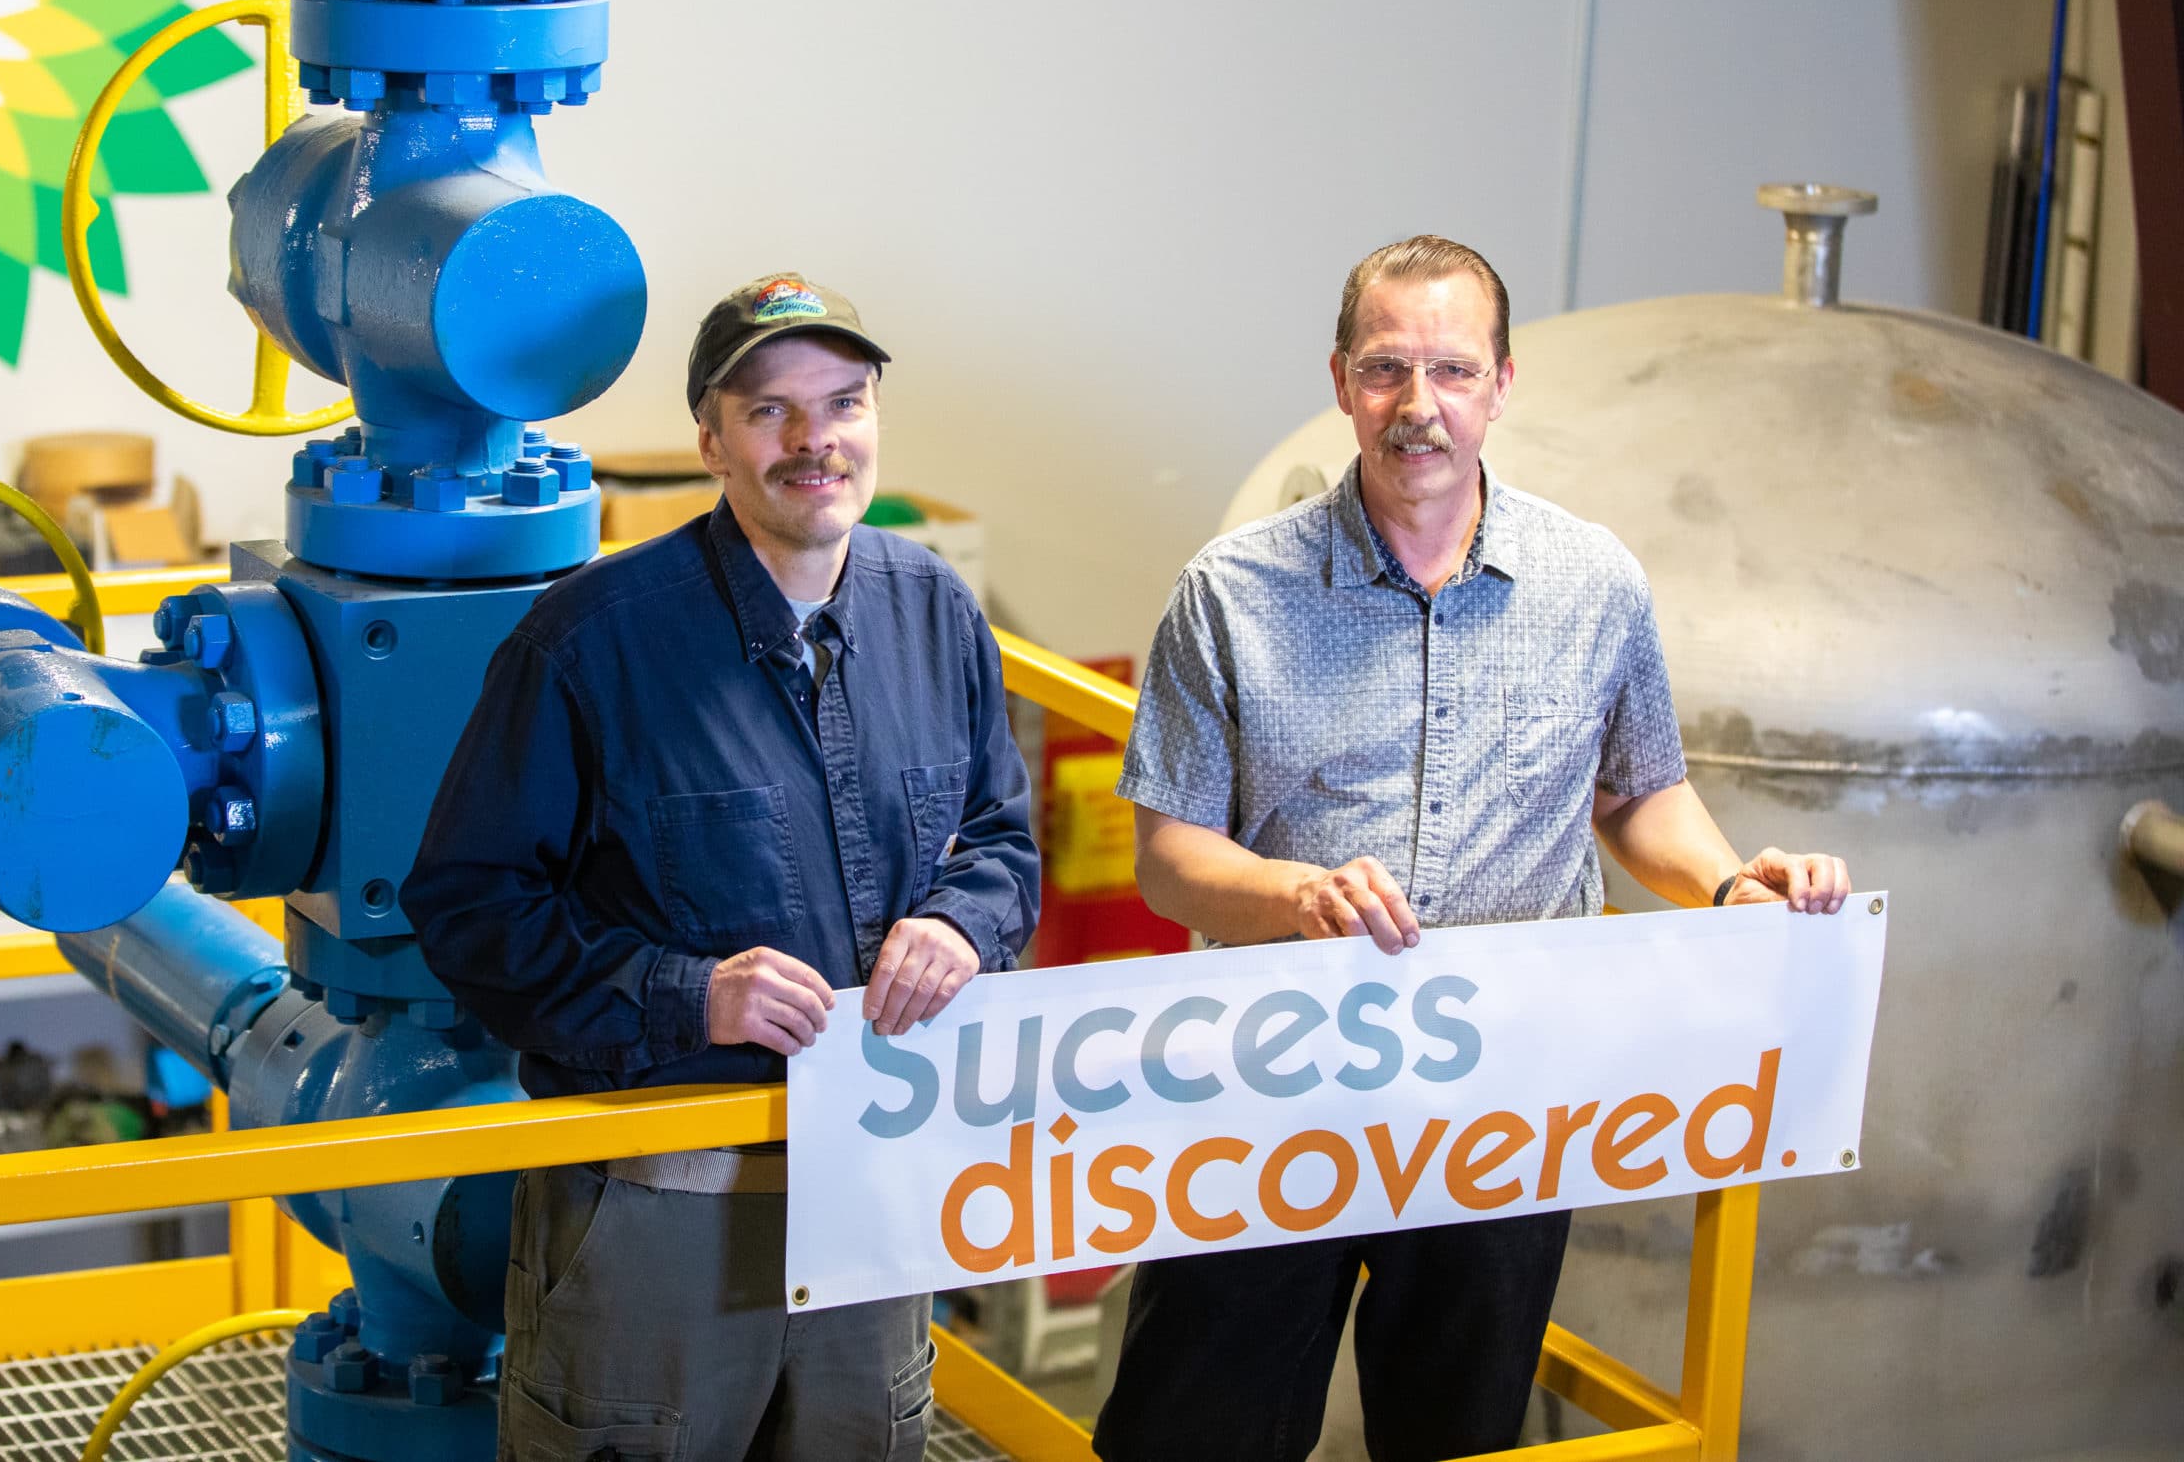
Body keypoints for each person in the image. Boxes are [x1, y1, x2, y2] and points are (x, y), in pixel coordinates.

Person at [1092, 235, 1853, 1462]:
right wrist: (1297, 896)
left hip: (1501, 1095)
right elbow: (1169, 858)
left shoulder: (1591, 582)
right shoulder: (1231, 593)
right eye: (1387, 368)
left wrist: (1725, 882)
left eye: (1451, 369)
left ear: (1501, 383)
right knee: (1195, 1428)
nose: (1417, 406)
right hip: (1268, 1084)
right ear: (1341, 381)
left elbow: (1636, 796)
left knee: (1457, 1431)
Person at [401, 271, 1040, 1462]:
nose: (815, 443)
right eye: (771, 412)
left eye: (842, 404)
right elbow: (468, 906)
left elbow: (1001, 838)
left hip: (872, 1189)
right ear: (712, 440)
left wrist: (961, 924)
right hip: (655, 1211)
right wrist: (688, 991)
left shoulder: (935, 610)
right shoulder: (591, 642)